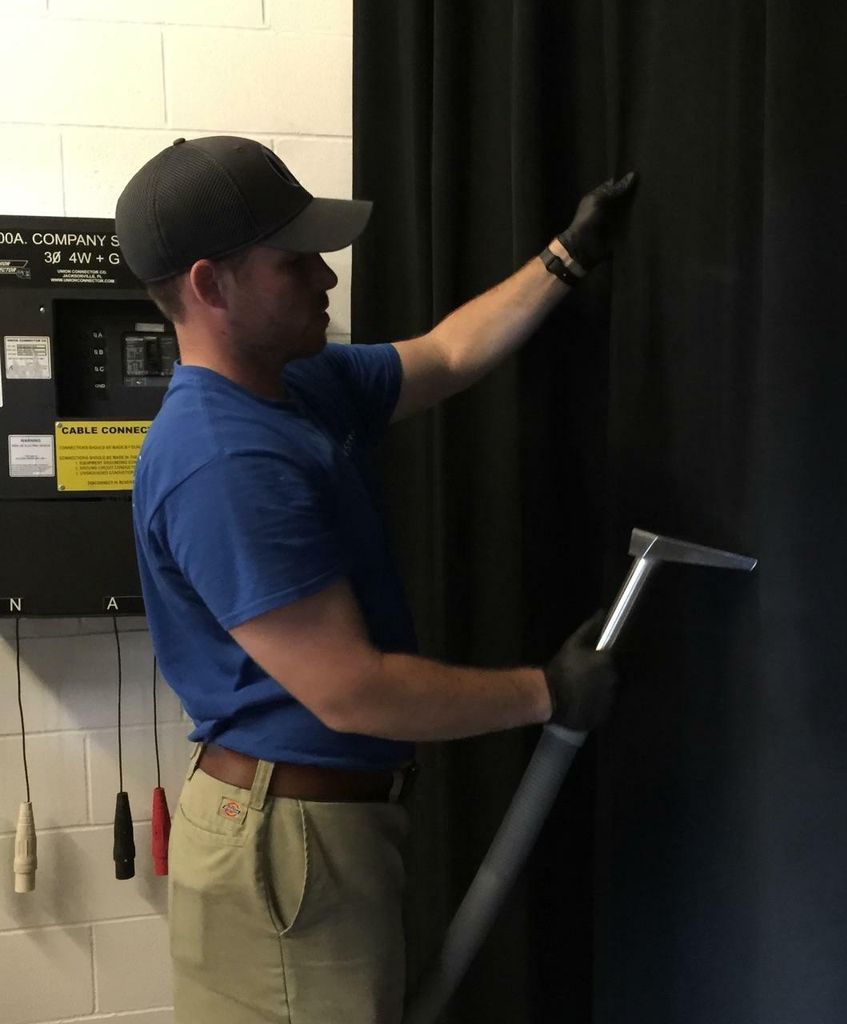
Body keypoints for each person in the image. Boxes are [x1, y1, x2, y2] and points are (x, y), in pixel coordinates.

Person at [116, 135, 636, 1024]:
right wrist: (546, 692)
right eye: (295, 261)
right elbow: (352, 692)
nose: (326, 279)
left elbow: (443, 355)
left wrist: (565, 257)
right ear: (209, 285)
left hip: (313, 836)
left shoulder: (296, 388)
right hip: (288, 850)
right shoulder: (223, 456)